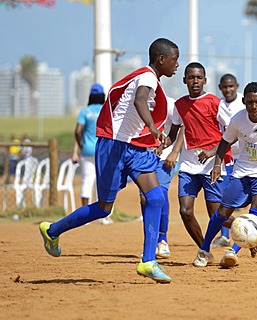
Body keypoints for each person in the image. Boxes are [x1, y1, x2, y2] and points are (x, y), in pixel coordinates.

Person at [38, 38, 180, 283]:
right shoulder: (146, 77)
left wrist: (152, 134)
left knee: (156, 196)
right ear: (161, 59)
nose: (177, 65)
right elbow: (139, 100)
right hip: (113, 145)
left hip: (134, 148)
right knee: (104, 208)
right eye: (175, 59)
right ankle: (52, 231)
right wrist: (152, 128)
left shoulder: (153, 81)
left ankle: (148, 261)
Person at [192, 81, 257, 268]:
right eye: (250, 103)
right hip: (243, 172)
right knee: (222, 213)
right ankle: (204, 250)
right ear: (244, 101)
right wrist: (217, 164)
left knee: (256, 210)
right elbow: (225, 142)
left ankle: (233, 251)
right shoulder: (238, 120)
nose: (254, 107)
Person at [165, 62, 232, 257]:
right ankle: (205, 250)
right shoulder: (179, 105)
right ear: (184, 80)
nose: (195, 81)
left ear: (205, 80)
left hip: (212, 167)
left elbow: (231, 133)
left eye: (199, 77)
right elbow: (173, 134)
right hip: (188, 166)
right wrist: (160, 146)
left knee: (217, 215)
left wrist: (212, 152)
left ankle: (246, 228)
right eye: (191, 77)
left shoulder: (215, 103)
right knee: (185, 211)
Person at [212, 73, 257, 248]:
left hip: (251, 157)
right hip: (230, 157)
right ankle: (224, 236)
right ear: (220, 88)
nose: (228, 90)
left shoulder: (249, 100)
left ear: (237, 86)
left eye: (231, 86)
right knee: (227, 198)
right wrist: (216, 154)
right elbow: (225, 135)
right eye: (224, 87)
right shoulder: (219, 106)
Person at [137, 96, 184, 258]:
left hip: (165, 156)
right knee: (145, 198)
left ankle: (162, 240)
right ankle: (149, 243)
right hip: (142, 156)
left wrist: (174, 152)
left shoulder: (170, 103)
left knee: (160, 194)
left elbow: (183, 126)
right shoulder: (138, 102)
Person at [72, 84, 114, 224]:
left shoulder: (85, 111)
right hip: (104, 151)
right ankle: (103, 216)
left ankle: (85, 217)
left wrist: (81, 144)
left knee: (87, 180)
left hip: (87, 150)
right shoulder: (106, 110)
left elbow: (78, 131)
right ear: (103, 95)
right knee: (102, 182)